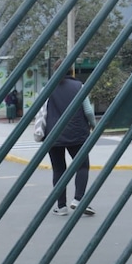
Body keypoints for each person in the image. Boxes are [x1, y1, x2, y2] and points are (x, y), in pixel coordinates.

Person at [44, 64, 97, 216]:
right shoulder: (79, 86)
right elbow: (88, 110)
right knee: (82, 166)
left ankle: (61, 207)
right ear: (71, 71)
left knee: (59, 169)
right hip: (76, 133)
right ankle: (78, 200)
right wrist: (94, 126)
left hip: (53, 134)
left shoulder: (48, 87)